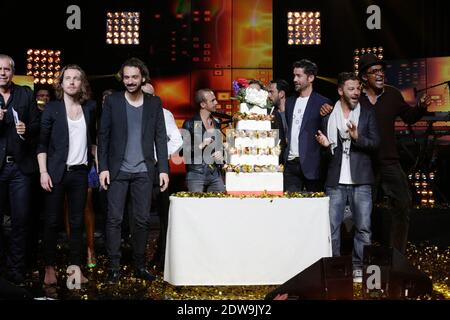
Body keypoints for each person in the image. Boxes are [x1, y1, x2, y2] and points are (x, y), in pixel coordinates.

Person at [320, 54, 431, 254]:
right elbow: (338, 110)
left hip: (388, 160)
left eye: (381, 71)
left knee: (403, 203)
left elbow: (409, 117)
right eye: (374, 71)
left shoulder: (393, 95)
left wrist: (421, 108)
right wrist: (326, 108)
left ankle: (396, 253)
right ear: (364, 77)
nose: (380, 74)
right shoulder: (356, 97)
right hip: (363, 162)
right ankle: (352, 255)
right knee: (358, 213)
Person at [98, 57, 169, 284]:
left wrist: (164, 169)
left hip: (144, 171)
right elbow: (103, 136)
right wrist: (103, 168)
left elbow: (160, 137)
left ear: (142, 78)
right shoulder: (113, 101)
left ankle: (140, 266)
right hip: (118, 171)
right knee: (114, 220)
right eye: (126, 77)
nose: (130, 81)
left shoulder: (154, 103)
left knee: (142, 221)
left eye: (134, 77)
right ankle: (114, 267)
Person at [316, 72, 380, 282]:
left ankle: (358, 266)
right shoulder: (327, 115)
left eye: (358, 88)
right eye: (351, 89)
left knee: (363, 228)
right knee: (331, 228)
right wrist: (326, 147)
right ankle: (335, 266)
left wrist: (357, 138)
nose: (356, 92)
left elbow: (375, 144)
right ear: (340, 90)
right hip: (335, 181)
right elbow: (324, 154)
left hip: (361, 180)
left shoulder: (368, 112)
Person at [37, 64, 97, 286]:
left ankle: (75, 269)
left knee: (77, 223)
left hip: (80, 174)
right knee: (52, 222)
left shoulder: (90, 108)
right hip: (55, 173)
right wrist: (43, 172)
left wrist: (97, 166)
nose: (72, 82)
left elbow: (92, 141)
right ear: (61, 83)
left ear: (82, 83)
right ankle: (50, 267)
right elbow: (42, 144)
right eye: (67, 78)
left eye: (76, 78)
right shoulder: (52, 108)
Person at [0, 54, 40, 286]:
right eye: (0, 69)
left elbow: (37, 124)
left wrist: (28, 127)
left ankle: (16, 271)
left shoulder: (25, 93)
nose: (3, 72)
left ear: (13, 72)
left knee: (21, 220)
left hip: (20, 168)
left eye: (7, 69)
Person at [142, 81, 182, 270]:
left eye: (150, 95)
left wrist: (162, 156)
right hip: (137, 168)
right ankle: (138, 257)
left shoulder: (165, 114)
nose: (147, 98)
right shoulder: (132, 111)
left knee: (163, 213)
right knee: (138, 213)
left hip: (159, 168)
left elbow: (177, 139)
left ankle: (161, 257)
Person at [284, 59, 332, 192]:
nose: (294, 79)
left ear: (310, 78)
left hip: (312, 165)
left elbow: (326, 134)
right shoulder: (290, 102)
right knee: (291, 206)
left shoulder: (322, 102)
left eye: (299, 76)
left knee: (313, 208)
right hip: (291, 164)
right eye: (294, 75)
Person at [182, 89, 225, 192]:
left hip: (215, 174)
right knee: (195, 206)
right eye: (213, 101)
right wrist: (200, 145)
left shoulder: (216, 122)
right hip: (196, 174)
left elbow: (218, 146)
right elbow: (183, 152)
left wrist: (221, 153)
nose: (216, 103)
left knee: (219, 205)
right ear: (203, 104)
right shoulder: (189, 123)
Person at [267, 79, 290, 164]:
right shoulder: (270, 114)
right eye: (268, 92)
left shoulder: (292, 112)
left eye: (271, 92)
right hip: (276, 160)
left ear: (281, 94)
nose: (268, 95)